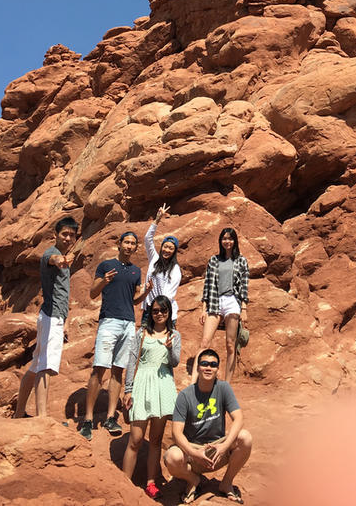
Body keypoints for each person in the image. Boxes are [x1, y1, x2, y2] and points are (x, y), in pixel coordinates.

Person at [79, 230, 152, 440]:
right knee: (99, 369)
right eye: (126, 242)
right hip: (109, 321)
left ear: (135, 248)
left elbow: (135, 300)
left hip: (129, 323)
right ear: (119, 244)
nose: (129, 246)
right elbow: (93, 293)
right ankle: (88, 419)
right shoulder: (106, 265)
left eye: (133, 244)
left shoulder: (136, 271)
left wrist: (146, 292)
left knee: (118, 370)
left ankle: (111, 417)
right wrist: (104, 281)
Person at [165, 349, 252, 504]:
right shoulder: (185, 396)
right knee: (172, 457)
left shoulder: (223, 388)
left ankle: (226, 483)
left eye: (213, 365)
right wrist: (194, 452)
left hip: (217, 449)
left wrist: (224, 446)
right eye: (204, 364)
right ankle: (193, 480)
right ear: (197, 368)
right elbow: (176, 433)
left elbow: (238, 418)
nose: (208, 367)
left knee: (245, 437)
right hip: (193, 452)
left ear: (218, 369)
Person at [14, 216, 79, 417]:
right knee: (46, 365)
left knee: (35, 365)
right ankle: (42, 417)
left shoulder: (63, 256)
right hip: (51, 317)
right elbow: (52, 260)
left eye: (71, 235)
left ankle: (18, 413)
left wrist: (66, 322)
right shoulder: (52, 253)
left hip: (53, 316)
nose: (68, 238)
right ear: (55, 235)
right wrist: (61, 260)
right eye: (64, 234)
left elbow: (62, 293)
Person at [122, 295, 181, 500]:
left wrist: (171, 348)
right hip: (141, 384)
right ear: (150, 312)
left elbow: (174, 363)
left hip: (163, 386)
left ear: (169, 312)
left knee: (155, 440)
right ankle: (124, 484)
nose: (159, 314)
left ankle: (150, 483)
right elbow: (132, 361)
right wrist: (128, 389)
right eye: (155, 310)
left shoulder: (174, 335)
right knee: (135, 439)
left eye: (163, 311)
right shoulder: (141, 334)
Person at [194, 228, 249, 383]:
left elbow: (244, 287)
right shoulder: (214, 260)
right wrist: (204, 310)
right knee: (205, 343)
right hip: (215, 301)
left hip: (233, 301)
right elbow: (207, 286)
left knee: (230, 345)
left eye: (230, 239)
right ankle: (194, 382)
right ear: (220, 241)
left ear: (235, 241)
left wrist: (244, 309)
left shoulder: (241, 261)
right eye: (224, 238)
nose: (227, 241)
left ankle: (227, 386)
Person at [142, 202, 181, 326]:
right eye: (165, 246)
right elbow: (147, 239)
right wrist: (157, 219)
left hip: (165, 311)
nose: (167, 250)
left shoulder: (175, 269)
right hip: (149, 309)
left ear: (174, 251)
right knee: (144, 343)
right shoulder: (154, 258)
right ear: (161, 247)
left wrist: (158, 307)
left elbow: (169, 294)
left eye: (171, 248)